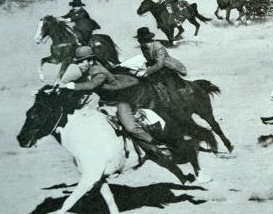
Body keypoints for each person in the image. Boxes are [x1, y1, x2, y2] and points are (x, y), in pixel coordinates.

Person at [62, 46, 185, 175]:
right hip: (106, 103)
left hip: (121, 102)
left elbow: (91, 85)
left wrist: (73, 86)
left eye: (82, 61)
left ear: (91, 61)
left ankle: (157, 144)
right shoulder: (87, 71)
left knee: (130, 127)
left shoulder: (99, 72)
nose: (80, 65)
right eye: (78, 62)